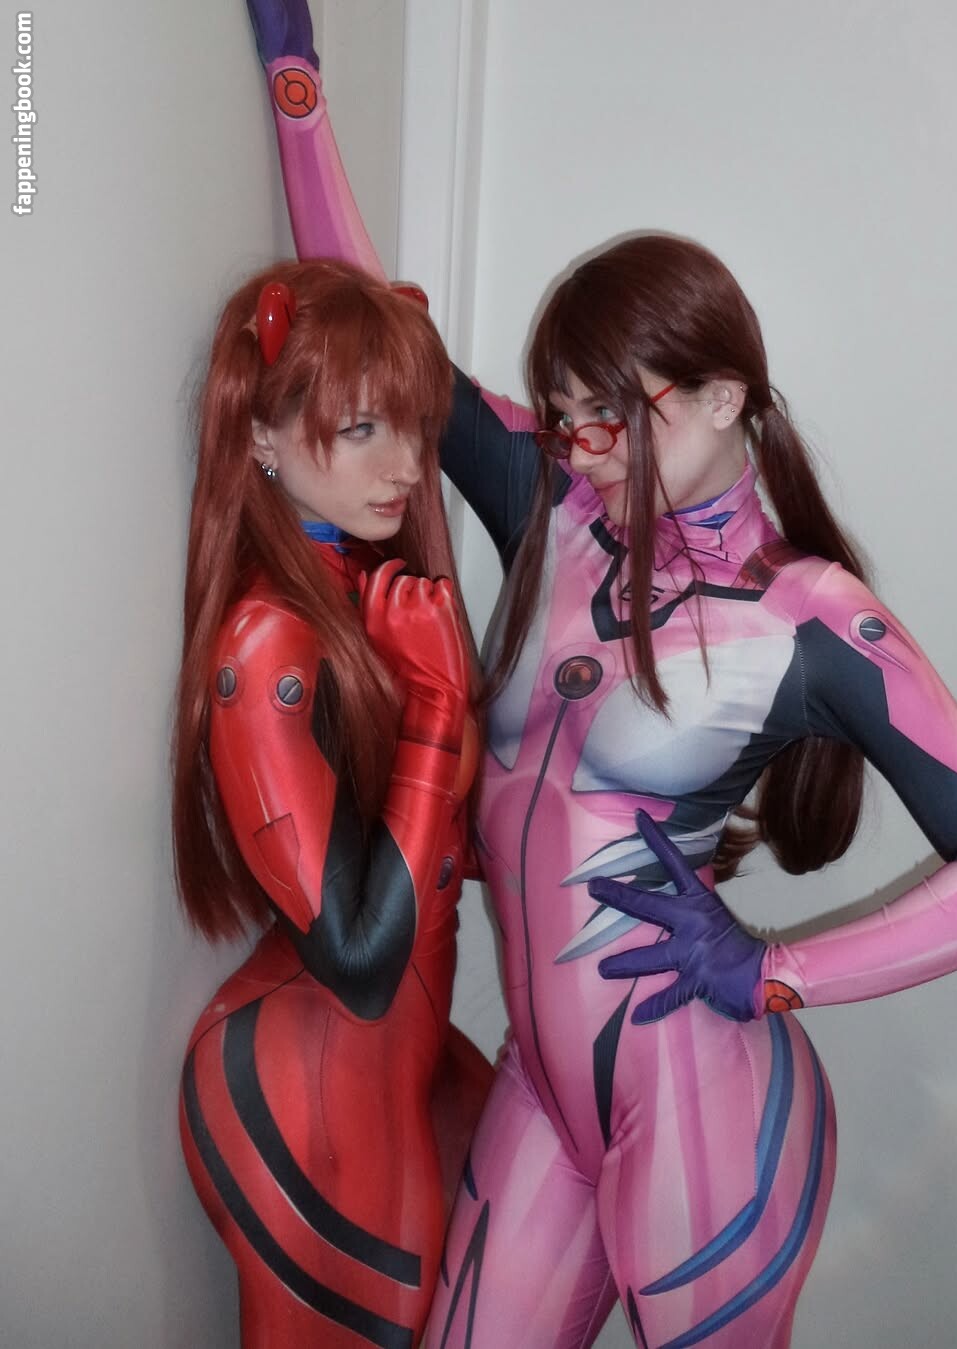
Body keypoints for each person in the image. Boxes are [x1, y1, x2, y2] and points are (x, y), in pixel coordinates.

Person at [239, 7, 957, 1345]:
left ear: (726, 395)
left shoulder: (810, 615)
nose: (587, 446)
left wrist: (778, 970)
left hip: (698, 1101)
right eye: (570, 414)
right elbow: (379, 339)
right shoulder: (555, 504)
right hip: (545, 1091)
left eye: (619, 413)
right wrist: (297, 82)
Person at [173, 258, 492, 1349]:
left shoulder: (363, 595)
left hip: (400, 1060)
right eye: (362, 429)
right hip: (313, 1078)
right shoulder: (269, 643)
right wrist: (438, 704)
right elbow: (356, 956)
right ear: (262, 437)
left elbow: (444, 840)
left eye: (413, 426)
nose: (406, 465)